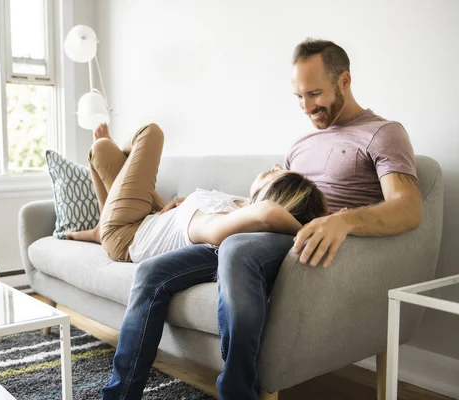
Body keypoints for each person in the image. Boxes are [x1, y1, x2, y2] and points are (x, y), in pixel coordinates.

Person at [100, 38, 423, 400]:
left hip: (311, 245)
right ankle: (119, 395)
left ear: (344, 81)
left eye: (315, 94)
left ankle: (238, 392)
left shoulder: (383, 133)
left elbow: (408, 207)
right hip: (266, 234)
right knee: (151, 273)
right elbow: (275, 198)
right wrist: (204, 202)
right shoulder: (302, 143)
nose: (307, 107)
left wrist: (342, 222)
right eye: (299, 97)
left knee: (237, 248)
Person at [67, 123, 328, 263]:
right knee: (100, 152)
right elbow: (263, 209)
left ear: (276, 194)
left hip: (127, 233)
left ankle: (103, 229)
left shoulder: (226, 222)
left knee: (147, 134)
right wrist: (182, 204)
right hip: (151, 217)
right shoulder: (238, 203)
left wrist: (310, 228)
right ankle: (99, 228)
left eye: (278, 174)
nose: (275, 166)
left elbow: (267, 212)